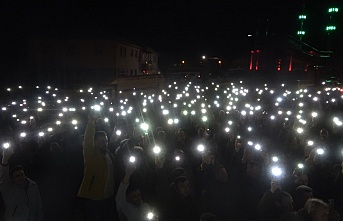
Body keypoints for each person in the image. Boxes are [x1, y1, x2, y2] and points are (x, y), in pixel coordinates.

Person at [77, 113, 117, 221]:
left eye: (106, 141)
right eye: (102, 142)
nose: (105, 144)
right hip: (94, 198)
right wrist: (91, 123)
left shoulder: (108, 154)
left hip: (109, 196)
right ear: (95, 143)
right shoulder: (91, 154)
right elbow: (87, 141)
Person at [0, 147, 43, 221]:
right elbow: (4, 177)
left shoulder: (32, 185)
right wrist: (5, 159)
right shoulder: (8, 188)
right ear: (12, 179)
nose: (21, 177)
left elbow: (38, 204)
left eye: (22, 174)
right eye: (17, 176)